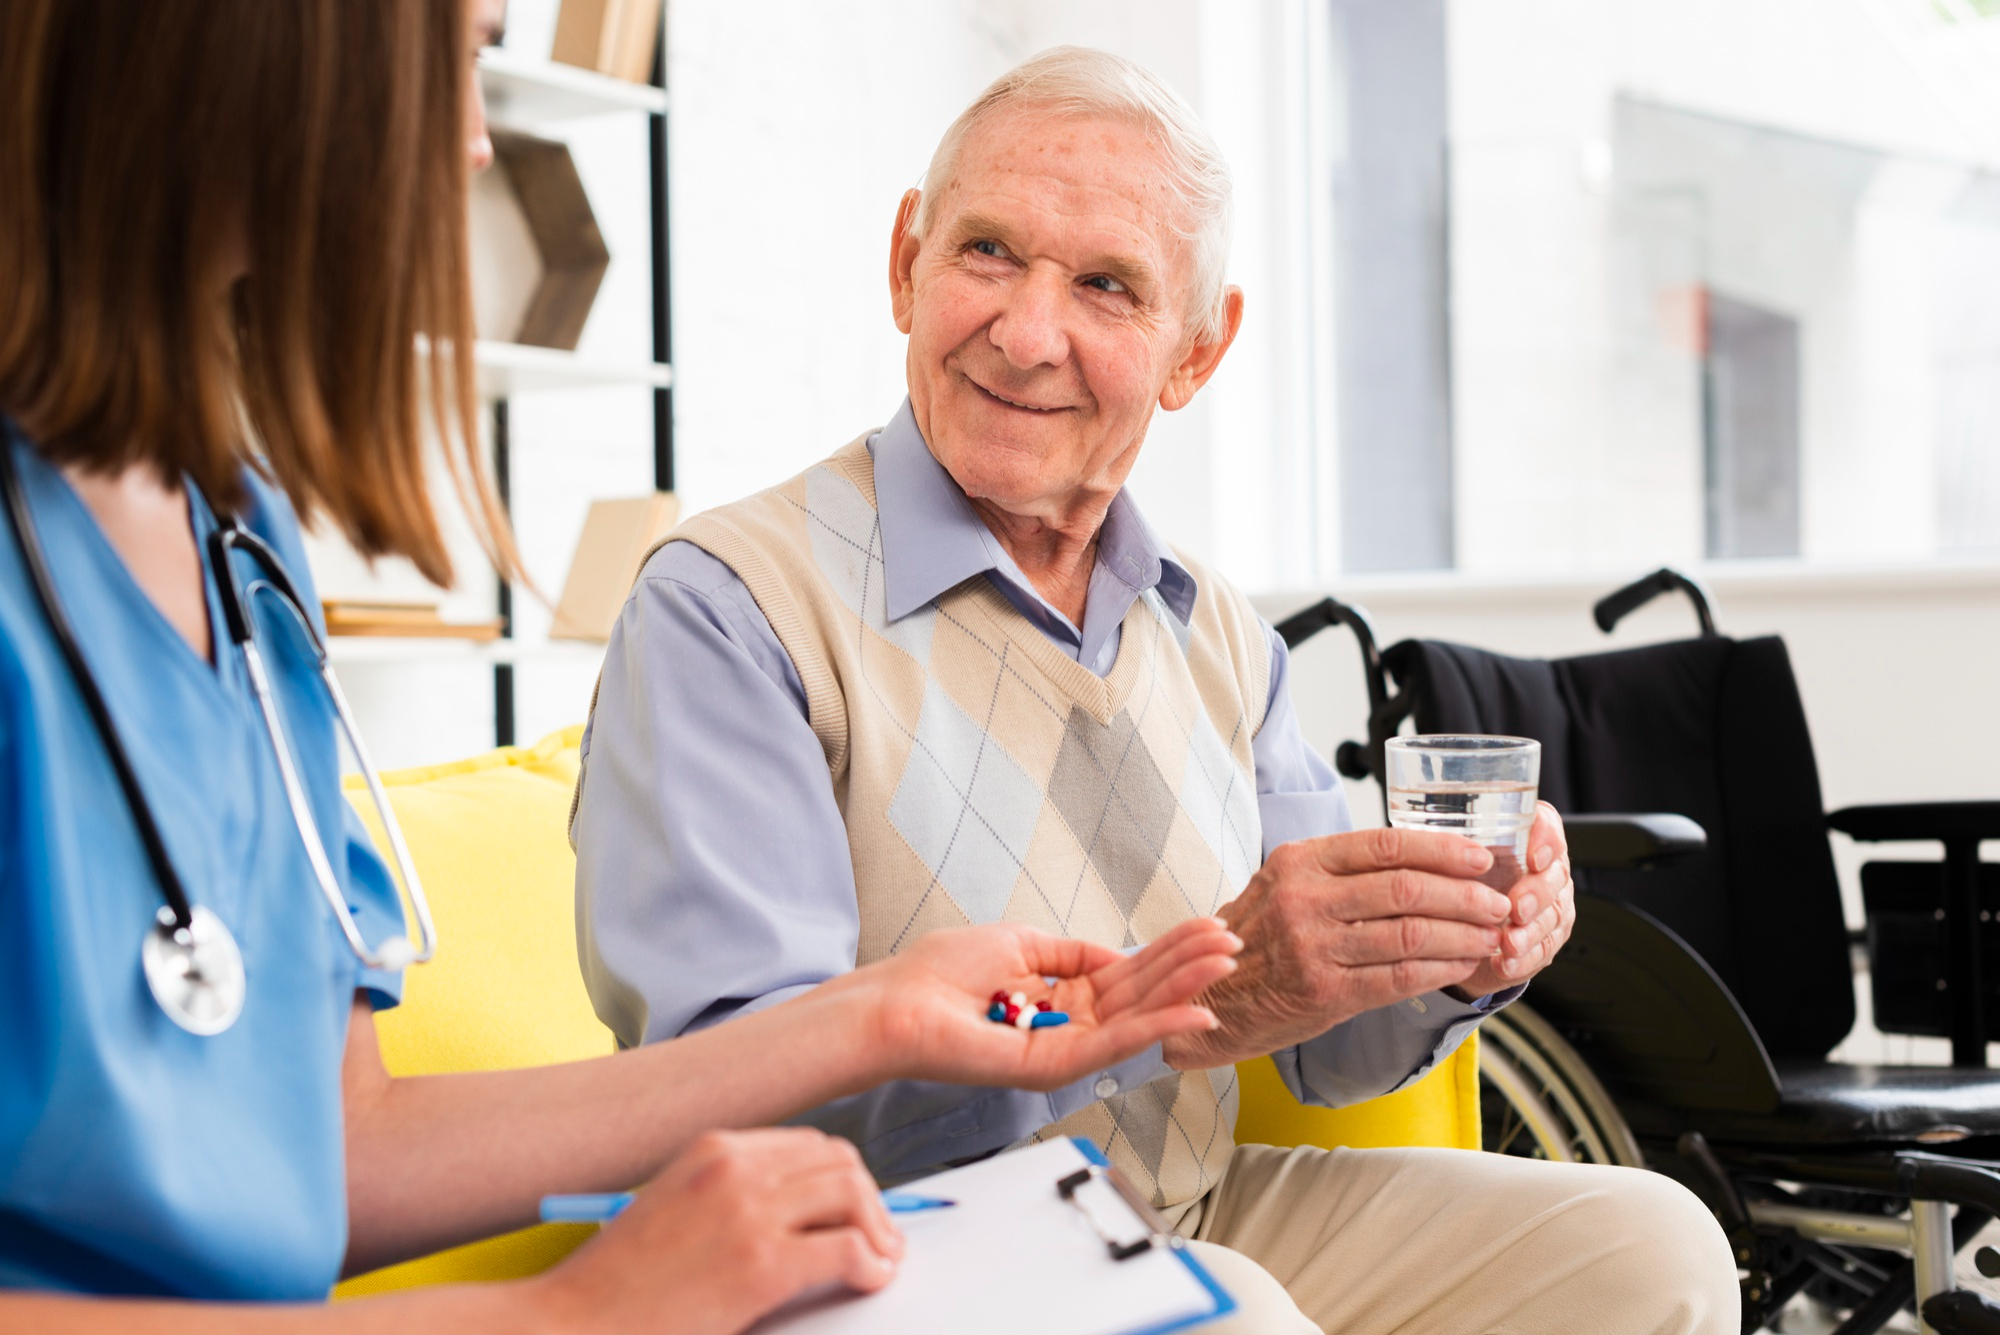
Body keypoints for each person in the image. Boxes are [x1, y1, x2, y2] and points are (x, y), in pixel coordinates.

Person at [0, 5, 1247, 1330]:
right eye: (464, 58)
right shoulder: (736, 597)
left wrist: (871, 1018)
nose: (478, 142)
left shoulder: (233, 529)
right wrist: (563, 1316)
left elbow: (337, 1144)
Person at [572, 45, 1742, 1333]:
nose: (1026, 332)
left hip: (1176, 1207)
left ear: (1197, 348)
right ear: (907, 261)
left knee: (1655, 1247)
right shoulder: (731, 603)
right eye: (986, 253)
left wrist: (1455, 959)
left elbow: (1321, 1041)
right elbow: (735, 1099)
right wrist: (1161, 1009)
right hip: (874, 1242)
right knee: (1230, 1310)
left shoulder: (1220, 636)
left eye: (1107, 286)